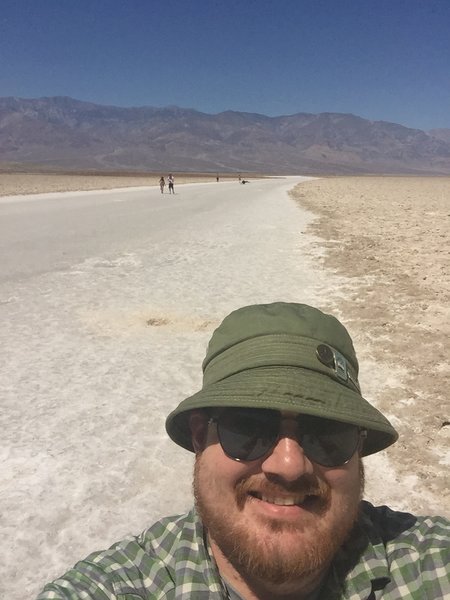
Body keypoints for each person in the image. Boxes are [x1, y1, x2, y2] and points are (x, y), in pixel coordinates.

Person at [36, 302, 450, 599]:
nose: (288, 465)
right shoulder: (125, 585)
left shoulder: (428, 563)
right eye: (249, 428)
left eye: (327, 433)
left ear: (359, 448)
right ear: (199, 438)